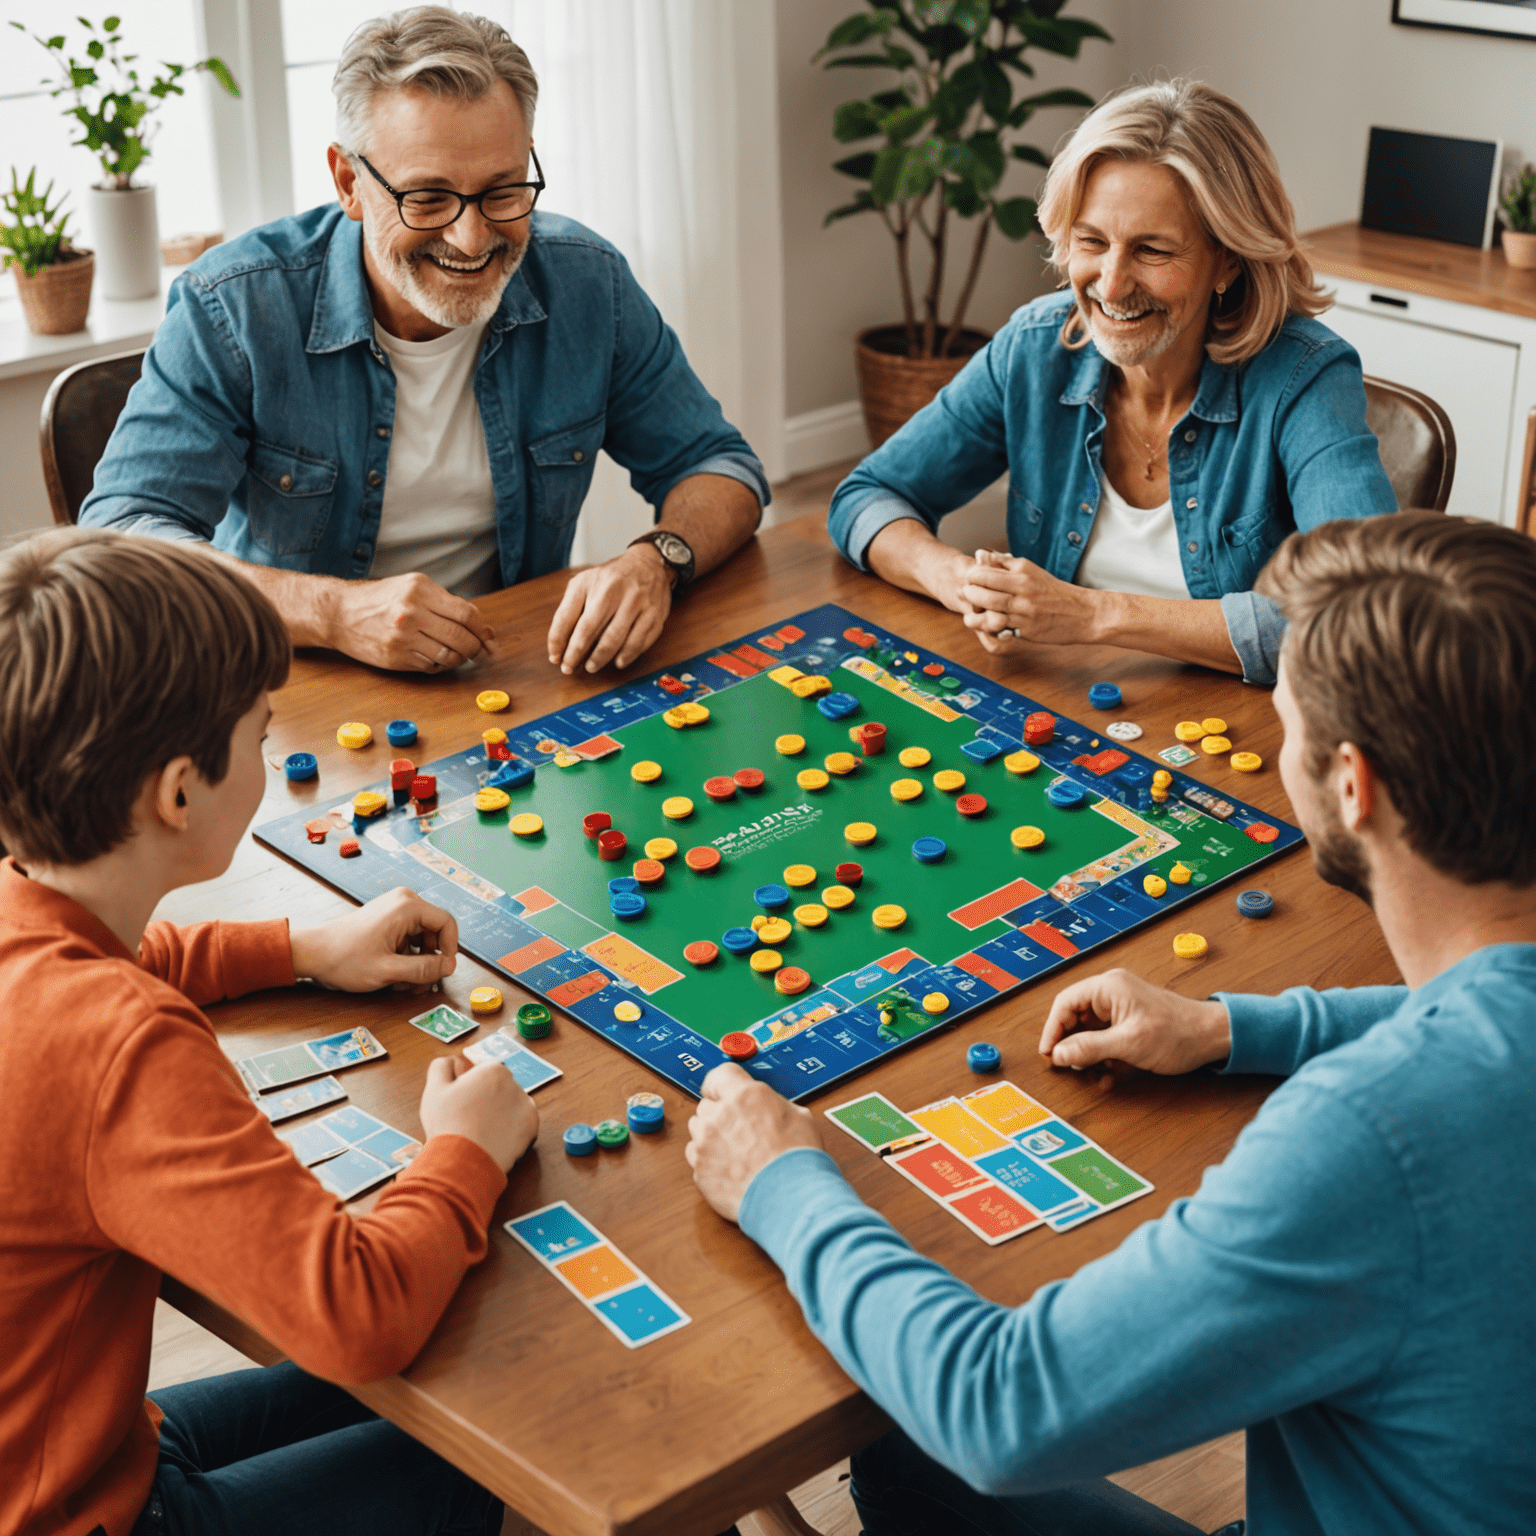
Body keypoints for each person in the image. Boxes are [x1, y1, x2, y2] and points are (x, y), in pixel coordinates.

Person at [686, 510, 1536, 1534]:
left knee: (914, 1439)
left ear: (1354, 787)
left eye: (1289, 711)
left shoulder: (1366, 1140)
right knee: (906, 1461)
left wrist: (780, 1182)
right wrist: (1233, 1028)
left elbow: (1000, 1409)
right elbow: (1484, 1025)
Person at [0, 528, 539, 1536]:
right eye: (257, 736)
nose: (262, 749)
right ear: (176, 793)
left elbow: (104, 963)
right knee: (522, 1444)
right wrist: (464, 1152)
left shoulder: (27, 912)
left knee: (447, 1391)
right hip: (78, 1514)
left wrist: (303, 945)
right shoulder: (122, 1048)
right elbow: (355, 1312)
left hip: (76, 1445)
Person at [79, 6, 767, 679]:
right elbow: (119, 538)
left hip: (513, 673)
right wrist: (333, 612)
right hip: (293, 689)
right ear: (350, 183)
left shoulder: (589, 283)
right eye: (427, 199)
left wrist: (655, 559)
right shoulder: (234, 303)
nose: (471, 240)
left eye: (502, 192)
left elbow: (718, 464)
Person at [827, 79, 1398, 687]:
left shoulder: (1305, 377)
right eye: (1091, 241)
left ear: (1228, 259)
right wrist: (962, 582)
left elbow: (1361, 617)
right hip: (1066, 713)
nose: (1112, 283)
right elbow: (865, 497)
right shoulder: (1033, 347)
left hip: (1240, 737)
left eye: (1152, 251)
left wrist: (1096, 614)